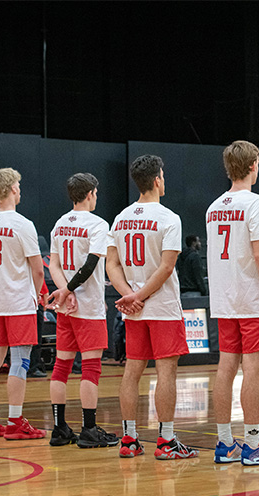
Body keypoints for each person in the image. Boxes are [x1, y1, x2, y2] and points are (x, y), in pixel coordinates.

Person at [106, 155, 197, 460]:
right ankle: (167, 441)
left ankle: (129, 439)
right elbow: (167, 267)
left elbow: (112, 264)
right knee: (166, 373)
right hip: (161, 307)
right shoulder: (169, 218)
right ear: (158, 179)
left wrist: (129, 295)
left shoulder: (120, 218)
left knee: (132, 371)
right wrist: (140, 295)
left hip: (134, 310)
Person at [205, 140, 259, 465]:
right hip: (251, 298)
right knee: (252, 371)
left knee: (226, 368)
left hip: (225, 298)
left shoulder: (213, 207)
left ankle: (226, 443)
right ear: (254, 165)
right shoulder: (256, 203)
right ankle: (253, 445)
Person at [42, 172, 118, 449]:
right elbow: (89, 265)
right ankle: (89, 429)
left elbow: (53, 264)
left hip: (66, 308)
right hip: (88, 306)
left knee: (61, 366)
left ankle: (60, 428)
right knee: (91, 368)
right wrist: (70, 290)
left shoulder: (59, 224)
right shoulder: (98, 224)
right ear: (90, 194)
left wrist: (63, 291)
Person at [0, 168, 45, 441]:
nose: (20, 188)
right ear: (12, 189)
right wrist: (40, 294)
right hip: (18, 302)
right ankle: (15, 421)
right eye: (18, 184)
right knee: (20, 361)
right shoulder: (22, 224)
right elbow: (38, 271)